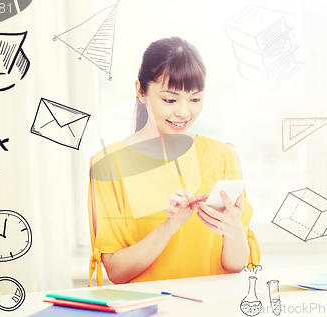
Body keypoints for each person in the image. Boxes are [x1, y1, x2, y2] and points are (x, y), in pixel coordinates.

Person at [87, 37, 260, 286]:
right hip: (150, 309)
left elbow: (234, 266)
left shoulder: (223, 156)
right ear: (140, 90)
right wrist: (169, 227)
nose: (183, 112)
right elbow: (116, 271)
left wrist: (232, 230)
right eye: (170, 100)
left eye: (195, 99)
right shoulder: (108, 165)